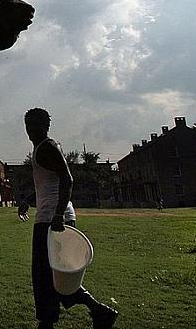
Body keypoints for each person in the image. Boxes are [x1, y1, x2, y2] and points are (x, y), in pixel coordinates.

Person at [24, 107, 118, 329]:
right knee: (56, 275)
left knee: (45, 275)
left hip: (53, 220)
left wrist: (58, 214)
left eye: (36, 125)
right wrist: (28, 199)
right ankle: (99, 311)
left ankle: (48, 322)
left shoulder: (48, 147)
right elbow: (49, 183)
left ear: (46, 127)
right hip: (52, 217)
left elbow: (67, 179)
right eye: (29, 125)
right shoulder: (42, 148)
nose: (31, 130)